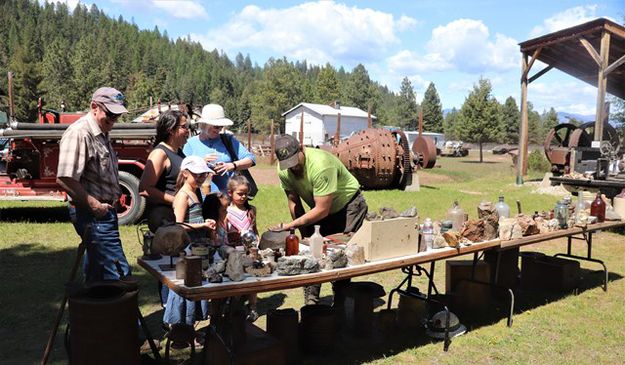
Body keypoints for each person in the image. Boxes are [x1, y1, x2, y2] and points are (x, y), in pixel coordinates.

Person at [269, 134, 368, 305]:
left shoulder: (321, 165)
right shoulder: (283, 169)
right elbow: (293, 201)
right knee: (311, 253)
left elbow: (322, 209)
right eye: (287, 164)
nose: (292, 167)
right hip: (321, 208)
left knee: (340, 255)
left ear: (301, 149)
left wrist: (290, 225)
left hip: (348, 207)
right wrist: (303, 231)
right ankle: (312, 302)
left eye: (294, 161)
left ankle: (340, 303)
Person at [57, 87, 130, 283]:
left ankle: (91, 312)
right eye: (110, 114)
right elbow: (65, 178)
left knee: (97, 273)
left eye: (117, 116)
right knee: (119, 273)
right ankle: (124, 314)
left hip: (102, 213)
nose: (114, 120)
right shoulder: (80, 133)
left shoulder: (101, 131)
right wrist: (95, 206)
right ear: (94, 107)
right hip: (93, 215)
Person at [163, 156, 216, 329]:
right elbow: (178, 225)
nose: (201, 179)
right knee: (184, 286)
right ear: (185, 173)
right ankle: (178, 326)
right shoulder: (183, 196)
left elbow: (193, 217)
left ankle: (189, 326)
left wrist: (205, 222)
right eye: (197, 175)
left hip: (196, 248)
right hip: (185, 249)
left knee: (194, 284)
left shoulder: (195, 191)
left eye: (203, 175)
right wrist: (201, 224)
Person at [183, 104, 256, 195]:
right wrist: (201, 163)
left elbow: (251, 159)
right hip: (200, 199)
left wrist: (231, 166)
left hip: (227, 200)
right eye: (216, 126)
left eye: (221, 126)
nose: (219, 130)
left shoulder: (228, 140)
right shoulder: (190, 144)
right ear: (204, 124)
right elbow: (182, 171)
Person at [139, 110, 193, 227]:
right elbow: (144, 189)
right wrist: (176, 201)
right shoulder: (160, 153)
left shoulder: (178, 152)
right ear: (171, 130)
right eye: (184, 127)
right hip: (167, 219)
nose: (187, 130)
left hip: (180, 215)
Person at [226, 175, 259, 321]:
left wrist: (257, 243)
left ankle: (252, 308)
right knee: (235, 279)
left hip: (250, 251)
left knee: (252, 279)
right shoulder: (226, 211)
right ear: (230, 193)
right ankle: (234, 306)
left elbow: (254, 229)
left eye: (246, 193)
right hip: (234, 251)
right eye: (239, 194)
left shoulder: (251, 210)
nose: (243, 196)